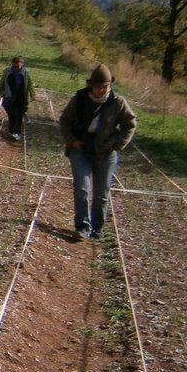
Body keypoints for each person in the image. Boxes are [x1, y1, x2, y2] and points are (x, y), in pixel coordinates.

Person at [59, 63, 138, 240]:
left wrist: (117, 144)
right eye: (97, 87)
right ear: (91, 85)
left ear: (110, 86)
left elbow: (130, 124)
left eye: (105, 87)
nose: (100, 90)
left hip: (106, 153)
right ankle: (82, 227)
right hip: (81, 149)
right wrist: (71, 141)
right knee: (82, 188)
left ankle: (97, 227)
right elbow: (65, 120)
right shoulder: (79, 98)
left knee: (101, 193)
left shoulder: (118, 102)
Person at [0, 56, 35, 141]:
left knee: (19, 115)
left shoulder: (25, 72)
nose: (16, 68)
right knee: (12, 115)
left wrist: (32, 94)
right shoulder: (7, 71)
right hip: (9, 97)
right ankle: (14, 132)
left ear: (22, 64)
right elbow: (2, 83)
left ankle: (17, 132)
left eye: (17, 67)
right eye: (14, 66)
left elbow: (30, 84)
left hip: (21, 97)